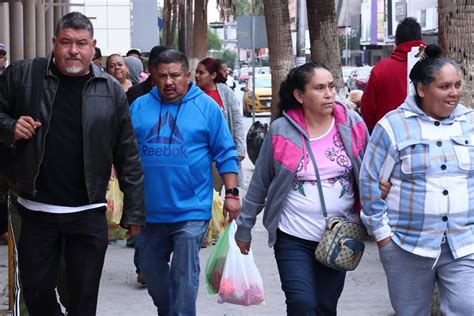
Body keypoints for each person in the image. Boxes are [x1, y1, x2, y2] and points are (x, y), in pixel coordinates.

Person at [0, 12, 145, 316]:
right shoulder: (22, 75)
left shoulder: (111, 90)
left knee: (82, 301)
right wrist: (10, 127)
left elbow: (127, 153)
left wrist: (134, 212)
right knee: (36, 293)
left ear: (93, 47)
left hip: (87, 214)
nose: (73, 50)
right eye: (66, 42)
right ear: (54, 43)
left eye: (81, 43)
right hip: (35, 211)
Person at [234, 61, 369, 316]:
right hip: (293, 236)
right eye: (319, 88)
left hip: (340, 236)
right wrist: (244, 227)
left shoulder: (351, 124)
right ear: (299, 95)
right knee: (301, 304)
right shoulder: (280, 130)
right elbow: (261, 182)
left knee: (325, 306)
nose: (329, 93)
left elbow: (370, 169)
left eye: (331, 86)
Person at [359, 44, 474, 315]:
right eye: (445, 87)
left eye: (457, 85)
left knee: (467, 307)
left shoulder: (470, 123)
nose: (454, 93)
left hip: (463, 242)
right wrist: (384, 237)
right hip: (406, 245)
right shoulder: (392, 126)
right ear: (422, 89)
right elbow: (370, 183)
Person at [130, 49, 240, 316]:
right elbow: (124, 153)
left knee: (183, 271)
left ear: (187, 75)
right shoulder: (139, 106)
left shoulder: (206, 108)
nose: (169, 82)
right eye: (162, 76)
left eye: (175, 76)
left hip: (191, 208)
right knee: (149, 268)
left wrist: (232, 192)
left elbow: (225, 152)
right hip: (148, 210)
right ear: (154, 76)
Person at [360, 17, 425, 132]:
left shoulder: (380, 69)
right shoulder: (437, 66)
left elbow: (367, 111)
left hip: (388, 137)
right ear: (421, 38)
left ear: (396, 41)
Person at [195, 57, 245, 192]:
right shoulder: (192, 94)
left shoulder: (225, 91)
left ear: (213, 75)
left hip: (221, 154)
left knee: (222, 195)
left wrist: (240, 149)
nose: (197, 76)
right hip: (200, 157)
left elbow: (237, 121)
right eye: (196, 72)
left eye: (201, 73)